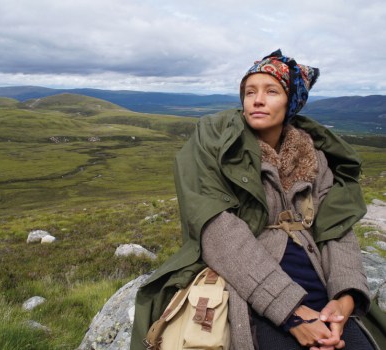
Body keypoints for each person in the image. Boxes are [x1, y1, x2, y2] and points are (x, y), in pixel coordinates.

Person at [131, 50, 383, 349]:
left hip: (321, 290)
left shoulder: (314, 158)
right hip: (253, 287)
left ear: (291, 102)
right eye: (249, 91)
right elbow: (217, 229)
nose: (257, 99)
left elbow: (336, 227)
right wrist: (291, 313)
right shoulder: (216, 145)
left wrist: (345, 299)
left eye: (271, 91)